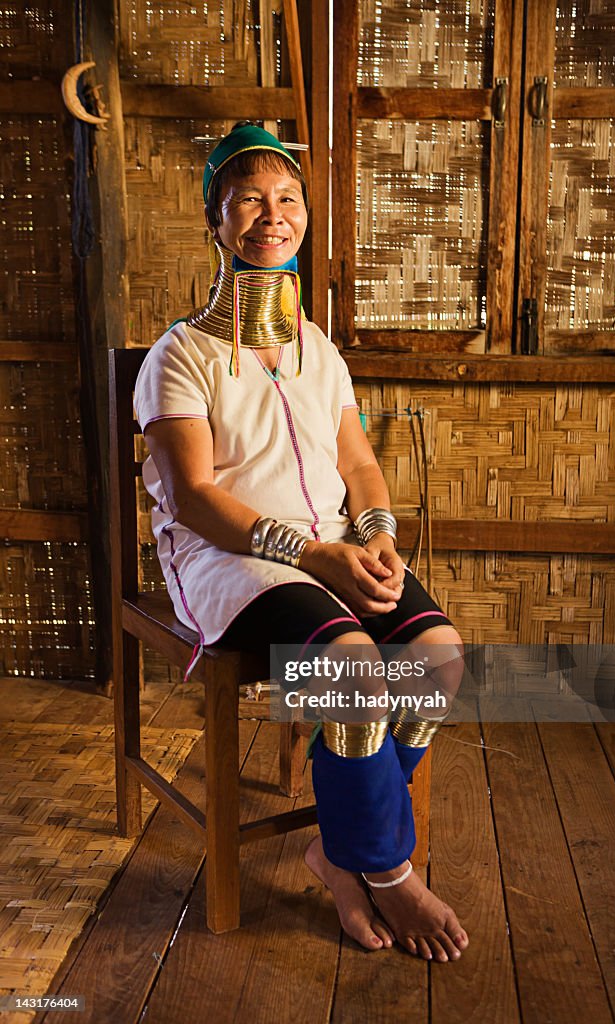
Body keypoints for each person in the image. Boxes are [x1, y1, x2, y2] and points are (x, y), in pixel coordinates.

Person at [133, 122, 469, 963]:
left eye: (287, 199)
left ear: (306, 217)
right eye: (248, 198)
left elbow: (356, 458)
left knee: (439, 654)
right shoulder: (183, 356)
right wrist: (312, 555)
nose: (270, 215)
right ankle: (386, 871)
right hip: (230, 561)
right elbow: (195, 498)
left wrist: (379, 535)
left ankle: (338, 851)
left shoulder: (317, 351)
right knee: (354, 668)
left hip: (330, 547)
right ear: (215, 218)